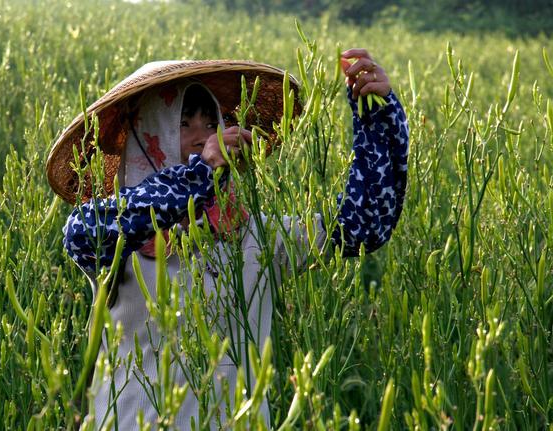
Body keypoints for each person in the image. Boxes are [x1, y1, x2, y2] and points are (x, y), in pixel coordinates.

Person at [47, 51, 408, 429]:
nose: (204, 136)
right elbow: (80, 234)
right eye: (183, 123)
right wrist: (198, 176)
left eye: (211, 122)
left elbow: (363, 226)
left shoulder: (260, 236)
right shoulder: (117, 238)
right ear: (149, 134)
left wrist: (376, 117)